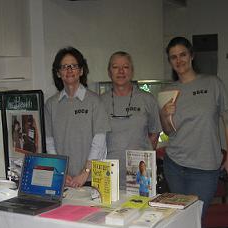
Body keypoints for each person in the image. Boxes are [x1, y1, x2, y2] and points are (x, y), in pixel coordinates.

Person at [160, 36, 228, 228]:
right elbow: (168, 132)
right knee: (182, 221)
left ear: (191, 56)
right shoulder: (167, 91)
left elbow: (227, 121)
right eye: (173, 57)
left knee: (194, 220)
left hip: (205, 167)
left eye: (182, 55)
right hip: (175, 163)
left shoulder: (212, 83)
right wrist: (165, 115)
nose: (178, 60)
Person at [45, 47, 110, 188]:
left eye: (74, 66)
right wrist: (60, 171)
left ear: (81, 71)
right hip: (63, 179)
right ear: (58, 72)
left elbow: (100, 140)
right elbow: (49, 141)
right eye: (64, 67)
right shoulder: (51, 104)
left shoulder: (94, 101)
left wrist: (86, 172)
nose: (69, 70)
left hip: (90, 178)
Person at [101, 51, 162, 187]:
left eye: (126, 67)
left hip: (140, 170)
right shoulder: (100, 102)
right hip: (109, 171)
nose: (121, 71)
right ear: (109, 72)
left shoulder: (147, 99)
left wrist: (143, 157)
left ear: (132, 71)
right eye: (116, 67)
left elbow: (154, 133)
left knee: (140, 207)